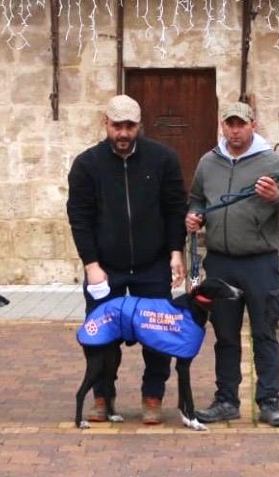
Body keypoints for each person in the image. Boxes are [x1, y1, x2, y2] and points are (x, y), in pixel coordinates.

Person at [66, 94, 188, 425]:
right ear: (105, 123)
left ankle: (153, 395)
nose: (123, 133)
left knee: (158, 333)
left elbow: (175, 208)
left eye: (130, 126)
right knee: (101, 337)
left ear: (139, 125)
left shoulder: (163, 159)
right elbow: (80, 217)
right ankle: (102, 395)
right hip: (106, 267)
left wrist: (176, 251)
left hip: (152, 264)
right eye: (117, 126)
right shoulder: (87, 165)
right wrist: (91, 264)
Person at [185, 101, 279, 427]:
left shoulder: (272, 162)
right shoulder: (208, 162)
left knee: (265, 332)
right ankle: (226, 401)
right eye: (229, 124)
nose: (235, 131)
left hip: (259, 263)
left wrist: (276, 197)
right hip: (220, 263)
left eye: (241, 124)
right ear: (222, 126)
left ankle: (269, 402)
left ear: (253, 125)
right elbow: (197, 199)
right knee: (225, 335)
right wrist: (193, 216)